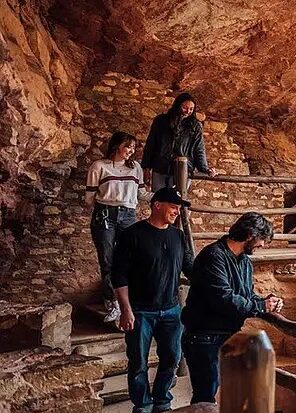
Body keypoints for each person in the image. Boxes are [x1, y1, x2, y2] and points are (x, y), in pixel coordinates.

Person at [181, 212, 284, 404]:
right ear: (250, 235)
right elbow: (223, 299)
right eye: (262, 240)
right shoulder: (213, 256)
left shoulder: (244, 261)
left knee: (230, 392)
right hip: (204, 337)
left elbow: (246, 295)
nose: (263, 245)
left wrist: (267, 301)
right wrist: (261, 305)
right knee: (205, 398)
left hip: (227, 335)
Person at [112, 187, 194, 413]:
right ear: (157, 204)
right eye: (174, 206)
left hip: (171, 310)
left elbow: (190, 268)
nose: (177, 212)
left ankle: (162, 400)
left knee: (172, 358)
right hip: (140, 311)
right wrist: (125, 309)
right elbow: (118, 275)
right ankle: (143, 405)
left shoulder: (178, 235)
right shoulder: (132, 235)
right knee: (138, 362)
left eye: (179, 208)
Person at [86, 131, 152, 323]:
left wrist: (160, 196)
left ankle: (128, 302)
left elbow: (141, 193)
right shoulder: (99, 166)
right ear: (116, 146)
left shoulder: (136, 168)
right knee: (107, 259)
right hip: (105, 213)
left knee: (129, 258)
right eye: (128, 146)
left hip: (128, 214)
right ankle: (112, 302)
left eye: (133, 147)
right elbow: (89, 198)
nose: (131, 151)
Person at [141, 92, 217, 192]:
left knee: (178, 201)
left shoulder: (195, 126)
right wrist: (146, 167)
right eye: (185, 107)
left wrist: (205, 168)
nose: (187, 111)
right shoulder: (161, 121)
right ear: (178, 105)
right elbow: (151, 144)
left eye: (191, 109)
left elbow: (199, 149)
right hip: (160, 166)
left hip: (182, 170)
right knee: (159, 199)